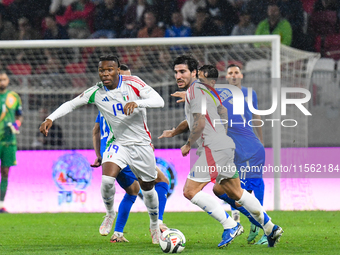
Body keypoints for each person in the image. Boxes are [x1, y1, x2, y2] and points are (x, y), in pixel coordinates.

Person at [159, 55, 282, 248]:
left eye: (183, 72)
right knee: (236, 192)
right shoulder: (206, 90)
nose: (178, 76)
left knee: (190, 191)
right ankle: (270, 227)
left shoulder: (195, 92)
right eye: (176, 72)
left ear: (194, 73)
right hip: (223, 147)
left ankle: (230, 225)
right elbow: (219, 112)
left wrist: (189, 143)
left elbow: (199, 123)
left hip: (212, 149)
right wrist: (176, 131)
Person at [39, 55, 165, 244]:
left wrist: (137, 103)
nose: (105, 74)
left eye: (109, 70)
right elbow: (72, 104)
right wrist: (50, 118)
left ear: (117, 70)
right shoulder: (96, 91)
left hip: (141, 144)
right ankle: (109, 213)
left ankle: (154, 225)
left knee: (147, 189)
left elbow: (159, 101)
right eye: (102, 70)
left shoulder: (133, 82)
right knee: (107, 180)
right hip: (118, 143)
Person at [91, 64, 169, 243]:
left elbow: (96, 130)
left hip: (111, 154)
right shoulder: (123, 103)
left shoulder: (105, 102)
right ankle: (158, 224)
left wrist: (99, 154)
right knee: (162, 181)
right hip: (125, 151)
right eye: (124, 78)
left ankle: (118, 233)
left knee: (133, 190)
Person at [0, 70, 23, 213]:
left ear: (8, 80)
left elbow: (19, 116)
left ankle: (1, 204)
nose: (1, 82)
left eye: (4, 79)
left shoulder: (14, 97)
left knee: (5, 172)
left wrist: (17, 125)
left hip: (9, 141)